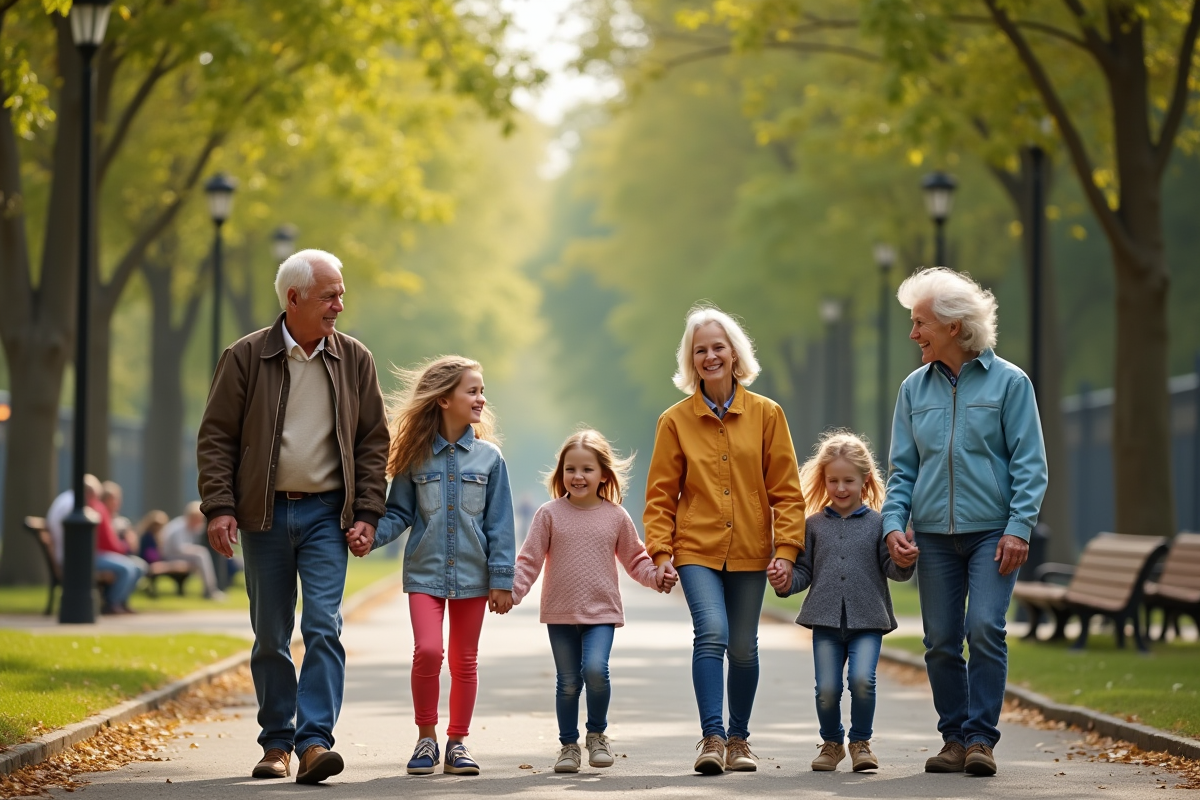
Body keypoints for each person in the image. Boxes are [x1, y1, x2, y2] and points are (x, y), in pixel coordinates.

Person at [197, 248, 390, 785]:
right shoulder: (244, 357)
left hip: (329, 514)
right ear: (294, 298)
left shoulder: (354, 358)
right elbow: (216, 439)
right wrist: (219, 506)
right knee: (270, 635)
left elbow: (374, 440)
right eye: (330, 296)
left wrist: (369, 511)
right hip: (264, 515)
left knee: (323, 626)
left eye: (341, 294)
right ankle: (276, 743)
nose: (339, 306)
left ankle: (313, 744)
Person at [882, 268, 1048, 777]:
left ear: (953, 326)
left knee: (985, 628)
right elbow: (902, 469)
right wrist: (894, 524)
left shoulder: (1010, 383)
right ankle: (953, 737)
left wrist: (1020, 527)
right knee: (939, 640)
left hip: (992, 534)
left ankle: (981, 739)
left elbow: (1030, 464)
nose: (913, 334)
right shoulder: (914, 389)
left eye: (920, 324)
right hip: (932, 536)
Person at [643, 304, 807, 775]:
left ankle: (739, 739)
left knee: (744, 647)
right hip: (696, 548)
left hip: (753, 550)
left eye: (718, 347)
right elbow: (659, 497)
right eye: (700, 350)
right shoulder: (674, 421)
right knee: (711, 633)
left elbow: (787, 492)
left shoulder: (766, 414)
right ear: (690, 360)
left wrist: (787, 551)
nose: (710, 356)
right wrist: (660, 553)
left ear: (735, 354)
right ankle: (712, 737)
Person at [365, 356, 516, 777]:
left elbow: (501, 525)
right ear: (444, 399)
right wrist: (369, 535)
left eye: (482, 390)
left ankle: (457, 743)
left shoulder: (490, 459)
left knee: (465, 660)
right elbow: (398, 514)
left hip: (474, 574)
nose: (481, 399)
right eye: (473, 391)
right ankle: (426, 739)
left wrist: (502, 580)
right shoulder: (415, 458)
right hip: (425, 573)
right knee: (429, 651)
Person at [510, 429, 676, 774]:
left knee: (595, 671)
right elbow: (529, 560)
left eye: (587, 469)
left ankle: (596, 734)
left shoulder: (615, 516)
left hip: (601, 612)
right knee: (568, 681)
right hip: (560, 612)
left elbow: (637, 560)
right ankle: (568, 746)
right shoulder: (548, 514)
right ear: (561, 473)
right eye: (571, 469)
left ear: (603, 474)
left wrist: (657, 577)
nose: (578, 476)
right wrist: (511, 592)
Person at [768, 431, 914, 772]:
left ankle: (861, 743)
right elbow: (803, 573)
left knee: (863, 680)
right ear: (824, 480)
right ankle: (832, 743)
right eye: (833, 480)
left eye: (849, 480)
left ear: (865, 479)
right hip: (826, 623)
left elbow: (893, 569)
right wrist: (784, 581)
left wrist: (905, 562)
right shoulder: (813, 525)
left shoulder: (880, 524)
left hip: (868, 621)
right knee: (827, 689)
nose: (841, 488)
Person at [46, 475, 145, 615]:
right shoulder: (74, 506)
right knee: (127, 568)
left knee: (135, 566)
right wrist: (123, 547)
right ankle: (111, 603)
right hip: (75, 559)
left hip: (73, 555)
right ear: (89, 492)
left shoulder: (66, 500)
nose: (95, 501)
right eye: (95, 496)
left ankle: (116, 602)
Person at [161, 502, 225, 601]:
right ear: (192, 517)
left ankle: (209, 589)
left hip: (182, 556)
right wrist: (196, 549)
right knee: (201, 554)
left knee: (202, 555)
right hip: (170, 557)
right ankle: (211, 590)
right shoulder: (178, 527)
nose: (200, 522)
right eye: (199, 519)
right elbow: (179, 548)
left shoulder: (192, 528)